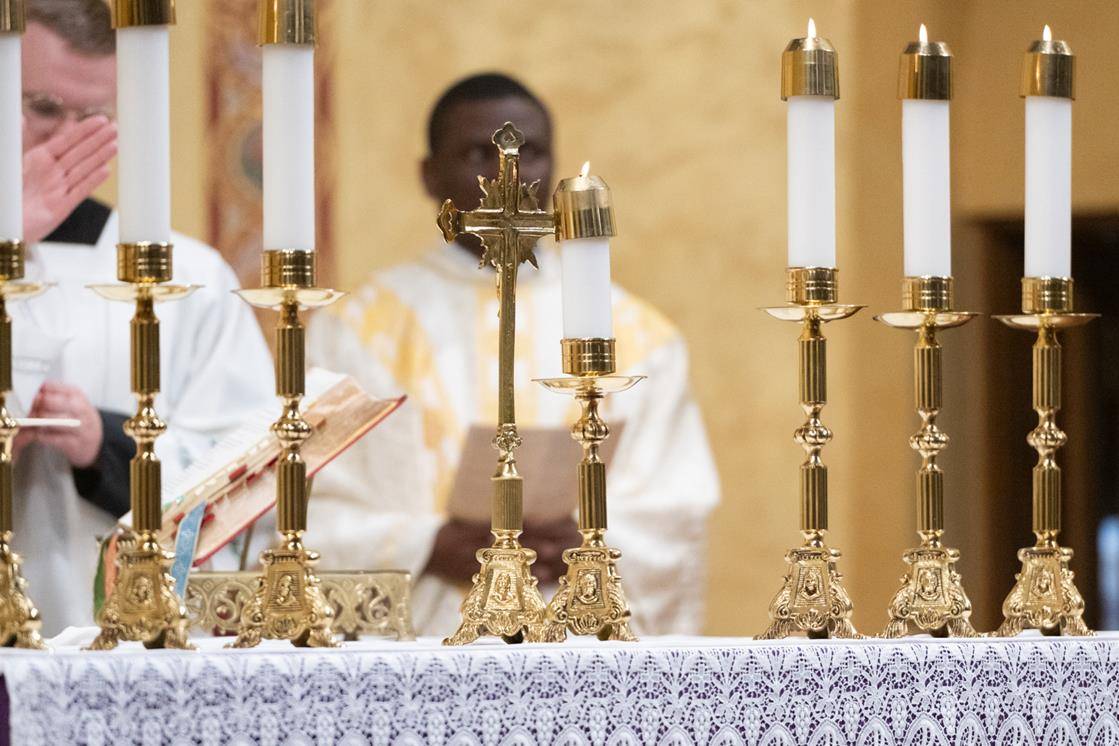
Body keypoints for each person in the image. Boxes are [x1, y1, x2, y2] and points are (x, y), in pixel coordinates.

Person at [307, 73, 720, 636]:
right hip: (424, 648)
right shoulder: (357, 330)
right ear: (429, 175)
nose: (509, 176)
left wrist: (588, 541)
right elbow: (312, 506)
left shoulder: (639, 335)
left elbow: (675, 510)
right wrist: (426, 545)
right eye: (478, 154)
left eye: (531, 154)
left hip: (580, 650)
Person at [13, 0, 273, 634]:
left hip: (123, 648)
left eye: (93, 118)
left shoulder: (190, 276)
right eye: (43, 109)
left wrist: (108, 445)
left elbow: (248, 481)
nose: (68, 140)